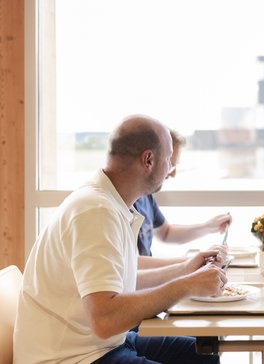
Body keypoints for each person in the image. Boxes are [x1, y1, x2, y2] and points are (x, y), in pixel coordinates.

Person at [13, 115, 227, 363]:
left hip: (102, 344)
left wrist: (185, 270)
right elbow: (105, 320)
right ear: (148, 160)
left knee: (202, 353)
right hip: (72, 357)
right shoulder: (96, 211)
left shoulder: (111, 203)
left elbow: (122, 282)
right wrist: (187, 285)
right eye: (169, 160)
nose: (171, 171)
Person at [135, 128, 231, 263]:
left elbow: (166, 233)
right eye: (170, 165)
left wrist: (208, 227)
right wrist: (191, 262)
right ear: (148, 160)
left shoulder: (146, 195)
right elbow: (133, 266)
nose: (173, 174)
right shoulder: (123, 203)